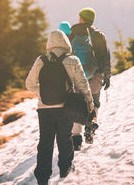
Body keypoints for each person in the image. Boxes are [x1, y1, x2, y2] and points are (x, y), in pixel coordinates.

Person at [26, 29, 94, 185]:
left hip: (44, 109)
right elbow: (83, 85)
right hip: (65, 107)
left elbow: (29, 84)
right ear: (66, 43)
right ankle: (65, 168)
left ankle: (42, 178)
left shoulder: (41, 60)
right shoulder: (73, 60)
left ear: (49, 44)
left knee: (45, 143)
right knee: (65, 139)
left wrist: (42, 93)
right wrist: (89, 103)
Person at [70, 7, 111, 150]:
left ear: (81, 18)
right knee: (94, 102)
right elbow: (105, 57)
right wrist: (107, 75)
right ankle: (90, 129)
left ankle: (76, 137)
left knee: (76, 104)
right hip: (95, 76)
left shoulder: (72, 33)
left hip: (76, 77)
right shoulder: (99, 35)